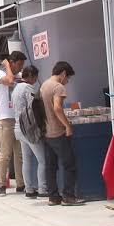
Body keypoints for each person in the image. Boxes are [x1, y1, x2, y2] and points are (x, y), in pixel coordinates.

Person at [40, 61, 84, 206]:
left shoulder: (44, 85)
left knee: (51, 166)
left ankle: (53, 197)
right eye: (68, 78)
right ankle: (69, 196)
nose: (67, 82)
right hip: (58, 132)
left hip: (46, 132)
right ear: (64, 73)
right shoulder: (58, 87)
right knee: (69, 164)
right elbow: (58, 108)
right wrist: (67, 125)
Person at [0, 51, 27, 196]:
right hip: (6, 118)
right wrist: (6, 65)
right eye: (18, 64)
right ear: (11, 62)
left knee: (19, 153)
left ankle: (21, 183)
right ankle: (1, 183)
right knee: (5, 153)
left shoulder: (18, 76)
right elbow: (8, 80)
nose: (20, 68)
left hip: (17, 118)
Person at [13, 65, 47, 200]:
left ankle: (29, 189)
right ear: (32, 76)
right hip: (29, 128)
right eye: (36, 77)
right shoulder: (28, 88)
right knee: (42, 159)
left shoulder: (16, 89)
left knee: (26, 159)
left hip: (18, 127)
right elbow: (34, 107)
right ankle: (43, 189)